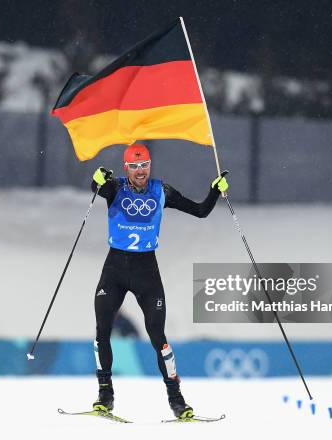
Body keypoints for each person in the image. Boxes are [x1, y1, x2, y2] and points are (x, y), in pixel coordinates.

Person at [90, 143, 229, 419]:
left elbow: (200, 211)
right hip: (115, 269)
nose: (140, 172)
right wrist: (96, 180)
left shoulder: (161, 191)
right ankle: (105, 395)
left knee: (158, 337)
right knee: (102, 329)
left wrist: (215, 191)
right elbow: (98, 188)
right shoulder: (115, 188)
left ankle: (176, 400)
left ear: (149, 166)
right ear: (126, 168)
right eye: (134, 166)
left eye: (144, 166)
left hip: (146, 272)